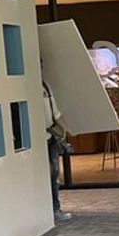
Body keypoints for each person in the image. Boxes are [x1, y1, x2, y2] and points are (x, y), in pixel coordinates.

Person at [42, 78, 72, 222]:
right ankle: (46, 210)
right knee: (44, 175)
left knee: (54, 174)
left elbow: (55, 112)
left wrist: (65, 130)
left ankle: (55, 209)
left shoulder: (45, 86)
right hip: (37, 139)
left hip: (51, 137)